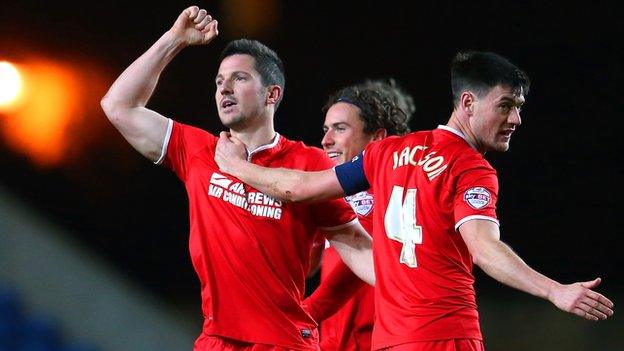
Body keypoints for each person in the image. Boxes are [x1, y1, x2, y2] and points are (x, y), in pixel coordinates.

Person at [214, 51, 615, 350]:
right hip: (445, 335)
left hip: (390, 341)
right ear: (468, 104)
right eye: (506, 106)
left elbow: (300, 188)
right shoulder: (471, 168)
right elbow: (484, 248)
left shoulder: (387, 154)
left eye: (519, 108)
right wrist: (553, 291)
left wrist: (238, 168)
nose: (516, 119)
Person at [100, 6, 374, 351]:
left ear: (272, 94)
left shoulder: (309, 162)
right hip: (216, 340)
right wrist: (174, 40)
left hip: (284, 342)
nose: (224, 89)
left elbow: (356, 243)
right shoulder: (197, 150)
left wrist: (419, 286)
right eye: (219, 81)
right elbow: (118, 106)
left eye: (239, 78)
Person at [305, 79, 415, 351]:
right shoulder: (331, 195)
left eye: (340, 129)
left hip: (379, 341)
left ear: (377, 136)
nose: (326, 139)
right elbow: (309, 266)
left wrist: (301, 315)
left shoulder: (394, 190)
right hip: (332, 341)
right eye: (326, 129)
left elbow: (356, 265)